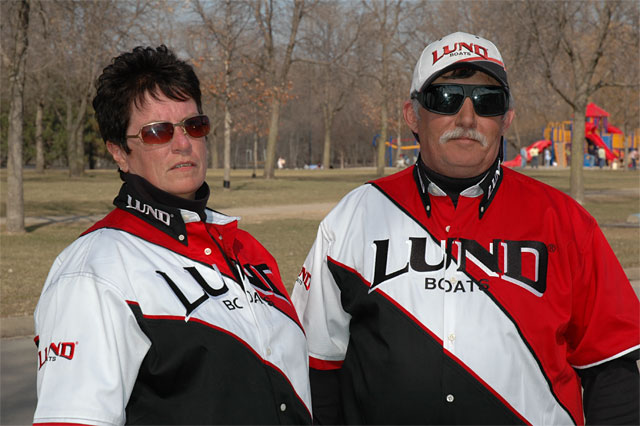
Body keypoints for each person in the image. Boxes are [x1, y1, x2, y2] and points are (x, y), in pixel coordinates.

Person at [291, 32, 639, 425]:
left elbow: (612, 370)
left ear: (506, 118)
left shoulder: (565, 221)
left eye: (487, 101)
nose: (467, 118)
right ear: (412, 115)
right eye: (445, 98)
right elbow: (318, 365)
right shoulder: (355, 216)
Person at [33, 46, 311, 425]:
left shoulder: (247, 249)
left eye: (194, 125)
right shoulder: (93, 273)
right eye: (158, 132)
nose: (183, 143)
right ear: (119, 152)